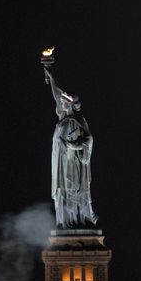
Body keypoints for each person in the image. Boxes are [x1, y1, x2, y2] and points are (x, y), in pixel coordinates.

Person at [45, 65, 97, 228]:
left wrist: (73, 145)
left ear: (72, 105)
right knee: (64, 190)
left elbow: (89, 139)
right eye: (62, 101)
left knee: (74, 189)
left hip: (75, 163)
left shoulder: (79, 121)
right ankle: (66, 220)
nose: (61, 102)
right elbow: (56, 92)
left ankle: (79, 219)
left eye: (65, 101)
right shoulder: (62, 120)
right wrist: (49, 71)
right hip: (61, 162)